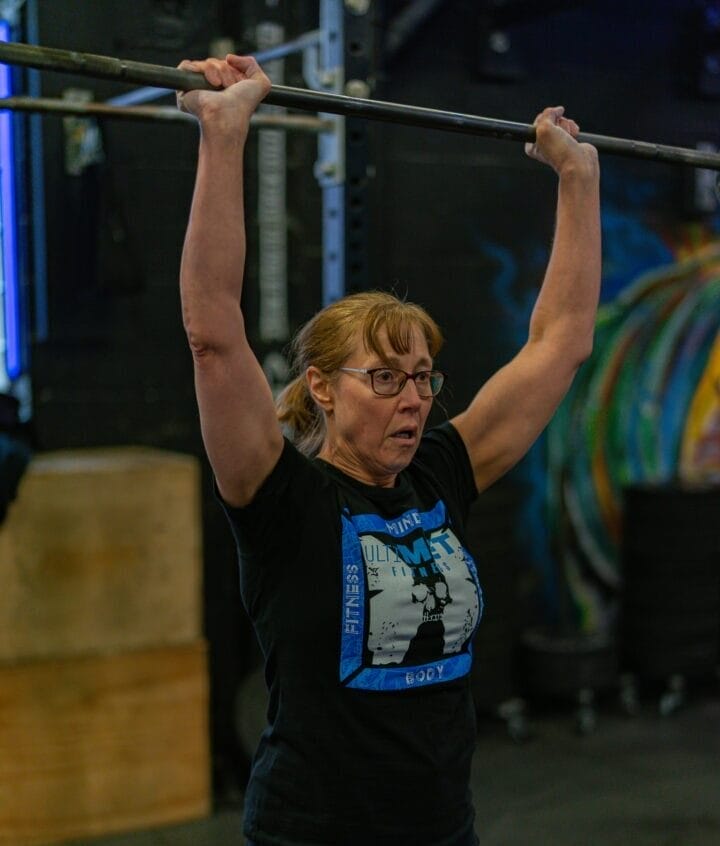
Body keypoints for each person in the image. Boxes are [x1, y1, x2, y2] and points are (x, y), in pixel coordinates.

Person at [177, 53, 600, 846]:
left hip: (441, 830)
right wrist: (224, 134)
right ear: (324, 386)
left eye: (422, 378)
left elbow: (562, 342)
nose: (414, 399)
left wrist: (577, 179)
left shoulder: (439, 475)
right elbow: (212, 336)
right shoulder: (281, 499)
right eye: (384, 379)